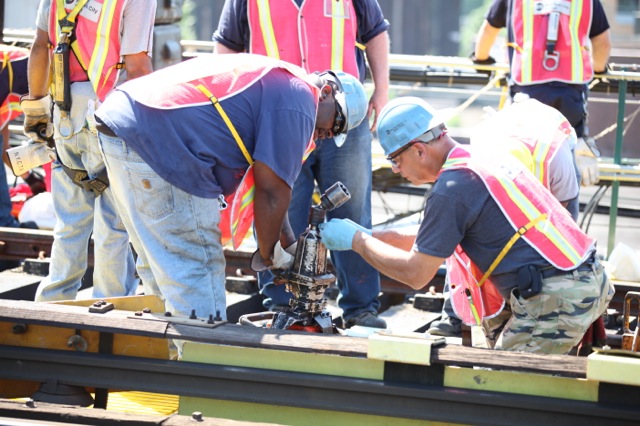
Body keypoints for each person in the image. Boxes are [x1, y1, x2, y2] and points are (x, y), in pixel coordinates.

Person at [319, 97, 614, 354]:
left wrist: (358, 242)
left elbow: (416, 273)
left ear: (419, 150)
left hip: (557, 294)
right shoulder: (479, 160)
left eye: (395, 160)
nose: (396, 170)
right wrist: (372, 236)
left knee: (500, 391)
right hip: (584, 278)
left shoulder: (452, 187)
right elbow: (429, 241)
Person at [93, 53, 368, 324]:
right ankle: (200, 357)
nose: (329, 134)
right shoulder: (299, 99)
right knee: (197, 266)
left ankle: (168, 355)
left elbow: (271, 183)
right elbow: (271, 193)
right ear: (327, 92)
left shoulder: (281, 83)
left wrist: (286, 243)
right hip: (159, 140)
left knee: (162, 266)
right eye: (337, 123)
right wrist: (271, 255)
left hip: (126, 125)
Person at [212, 0, 390, 328]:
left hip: (343, 118)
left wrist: (382, 89)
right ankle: (283, 304)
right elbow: (227, 47)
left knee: (353, 215)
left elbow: (376, 31)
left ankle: (361, 308)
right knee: (280, 210)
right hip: (276, 120)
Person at [23, 0, 156, 301]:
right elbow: (137, 65)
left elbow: (41, 45)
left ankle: (54, 302)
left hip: (64, 110)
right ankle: (111, 305)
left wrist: (35, 109)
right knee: (113, 223)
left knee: (69, 221)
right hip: (111, 114)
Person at [428, 95, 580, 337]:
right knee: (467, 232)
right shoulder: (481, 152)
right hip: (504, 141)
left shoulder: (555, 159)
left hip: (556, 155)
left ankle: (553, 307)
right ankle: (454, 312)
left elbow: (560, 218)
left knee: (561, 250)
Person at [472, 0, 612, 187]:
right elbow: (603, 43)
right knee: (567, 160)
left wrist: (481, 60)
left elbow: (489, 31)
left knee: (523, 161)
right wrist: (599, 70)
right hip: (571, 94)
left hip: (526, 93)